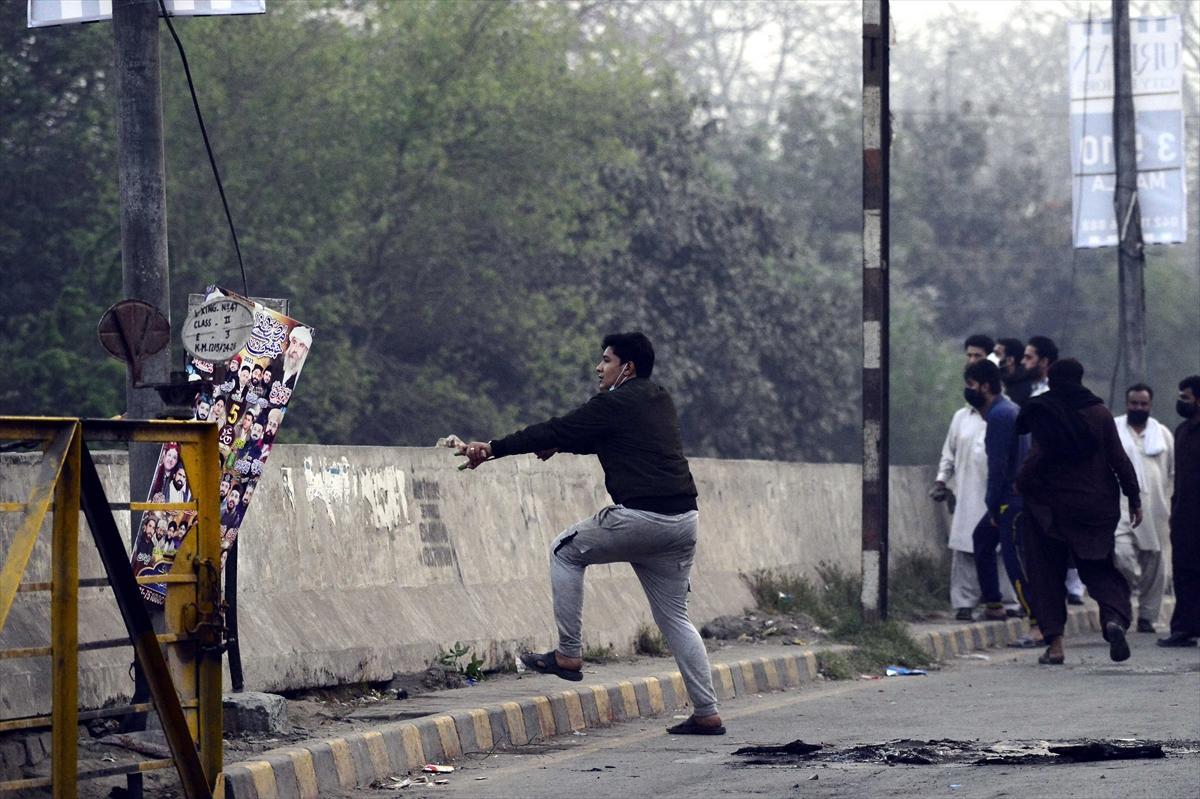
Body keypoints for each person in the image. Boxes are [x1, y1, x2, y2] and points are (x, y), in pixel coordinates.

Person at [459, 332, 723, 736]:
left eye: (606, 360)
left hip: (641, 518)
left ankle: (568, 654)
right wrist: (562, 445)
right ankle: (707, 712)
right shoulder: (658, 399)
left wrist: (492, 448)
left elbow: (561, 426)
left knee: (564, 551)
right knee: (675, 618)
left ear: (627, 368)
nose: (599, 368)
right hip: (684, 521)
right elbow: (605, 437)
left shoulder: (615, 402)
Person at [1016, 359, 1141, 665]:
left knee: (1045, 573)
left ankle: (1055, 645)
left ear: (1052, 379)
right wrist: (1134, 497)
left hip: (1050, 510)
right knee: (1099, 567)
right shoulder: (1098, 413)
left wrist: (1021, 484)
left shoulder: (1043, 410)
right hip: (1094, 507)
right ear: (1080, 378)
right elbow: (1119, 459)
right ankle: (1113, 619)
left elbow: (1037, 457)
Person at [932, 336, 1018, 620]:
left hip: (997, 494)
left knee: (999, 551)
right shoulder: (961, 418)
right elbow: (949, 452)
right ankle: (965, 603)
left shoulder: (1005, 415)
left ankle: (1007, 602)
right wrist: (942, 480)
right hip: (968, 490)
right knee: (966, 547)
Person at [964, 361, 1035, 624]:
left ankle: (1037, 623)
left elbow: (998, 464)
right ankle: (993, 605)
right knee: (982, 540)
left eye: (971, 385)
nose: (968, 390)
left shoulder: (1000, 416)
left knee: (1016, 564)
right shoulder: (1007, 410)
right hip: (1014, 498)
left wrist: (993, 504)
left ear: (984, 386)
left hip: (1009, 501)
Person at [1021, 335, 1085, 604]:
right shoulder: (1029, 393)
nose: (1024, 363)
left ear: (1045, 362)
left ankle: (1074, 587)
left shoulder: (1057, 398)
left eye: (1029, 357)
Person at [1113, 384, 1175, 633]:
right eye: (1133, 403)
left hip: (1155, 508)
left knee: (1155, 564)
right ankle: (1124, 603)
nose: (1138, 408)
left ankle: (1148, 617)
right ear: (1126, 404)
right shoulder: (1114, 429)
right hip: (1120, 506)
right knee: (1121, 555)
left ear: (1150, 405)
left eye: (1143, 404)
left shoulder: (1163, 435)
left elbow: (1171, 472)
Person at [1159, 375, 1200, 647]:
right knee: (1184, 571)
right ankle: (1184, 628)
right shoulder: (1182, 432)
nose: (1180, 403)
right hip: (1185, 514)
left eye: (1185, 398)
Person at [994, 337, 1034, 407]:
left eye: (997, 354)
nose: (993, 357)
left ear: (1010, 360)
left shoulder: (1025, 388)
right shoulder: (998, 380)